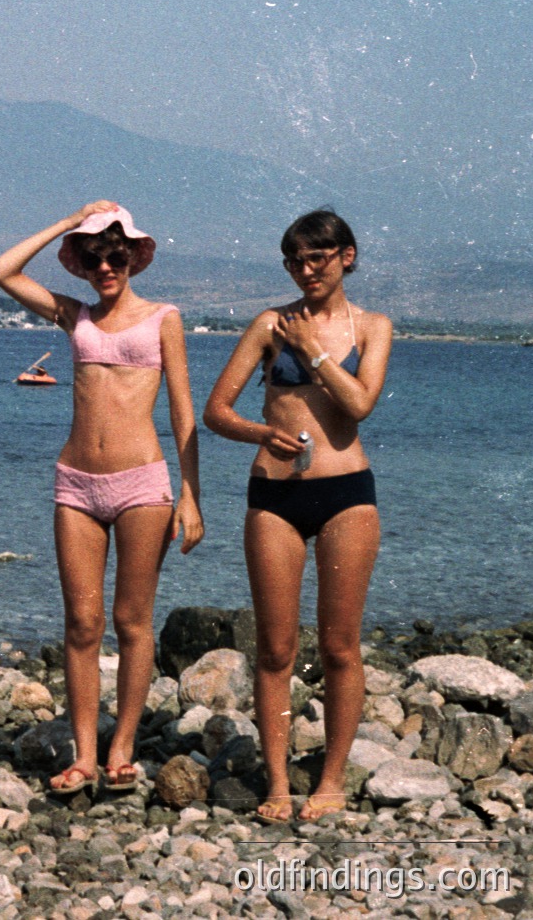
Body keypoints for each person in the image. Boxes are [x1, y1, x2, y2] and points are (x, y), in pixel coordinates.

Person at [0, 201, 203, 796]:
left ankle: (123, 747)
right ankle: (85, 753)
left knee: (132, 621)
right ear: (82, 264)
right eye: (94, 256)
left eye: (116, 254)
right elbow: (2, 271)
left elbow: (183, 411)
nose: (106, 265)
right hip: (76, 484)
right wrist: (66, 223)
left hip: (143, 484)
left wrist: (191, 494)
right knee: (82, 622)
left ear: (134, 256)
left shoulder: (164, 318)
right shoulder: (74, 316)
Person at [203, 209, 391, 824]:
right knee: (276, 649)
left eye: (317, 258)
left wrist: (312, 352)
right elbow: (217, 412)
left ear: (347, 257)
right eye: (294, 261)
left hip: (347, 495)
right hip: (274, 496)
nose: (306, 270)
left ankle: (331, 779)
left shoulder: (374, 326)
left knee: (339, 646)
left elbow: (359, 404)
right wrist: (262, 431)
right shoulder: (269, 325)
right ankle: (278, 782)